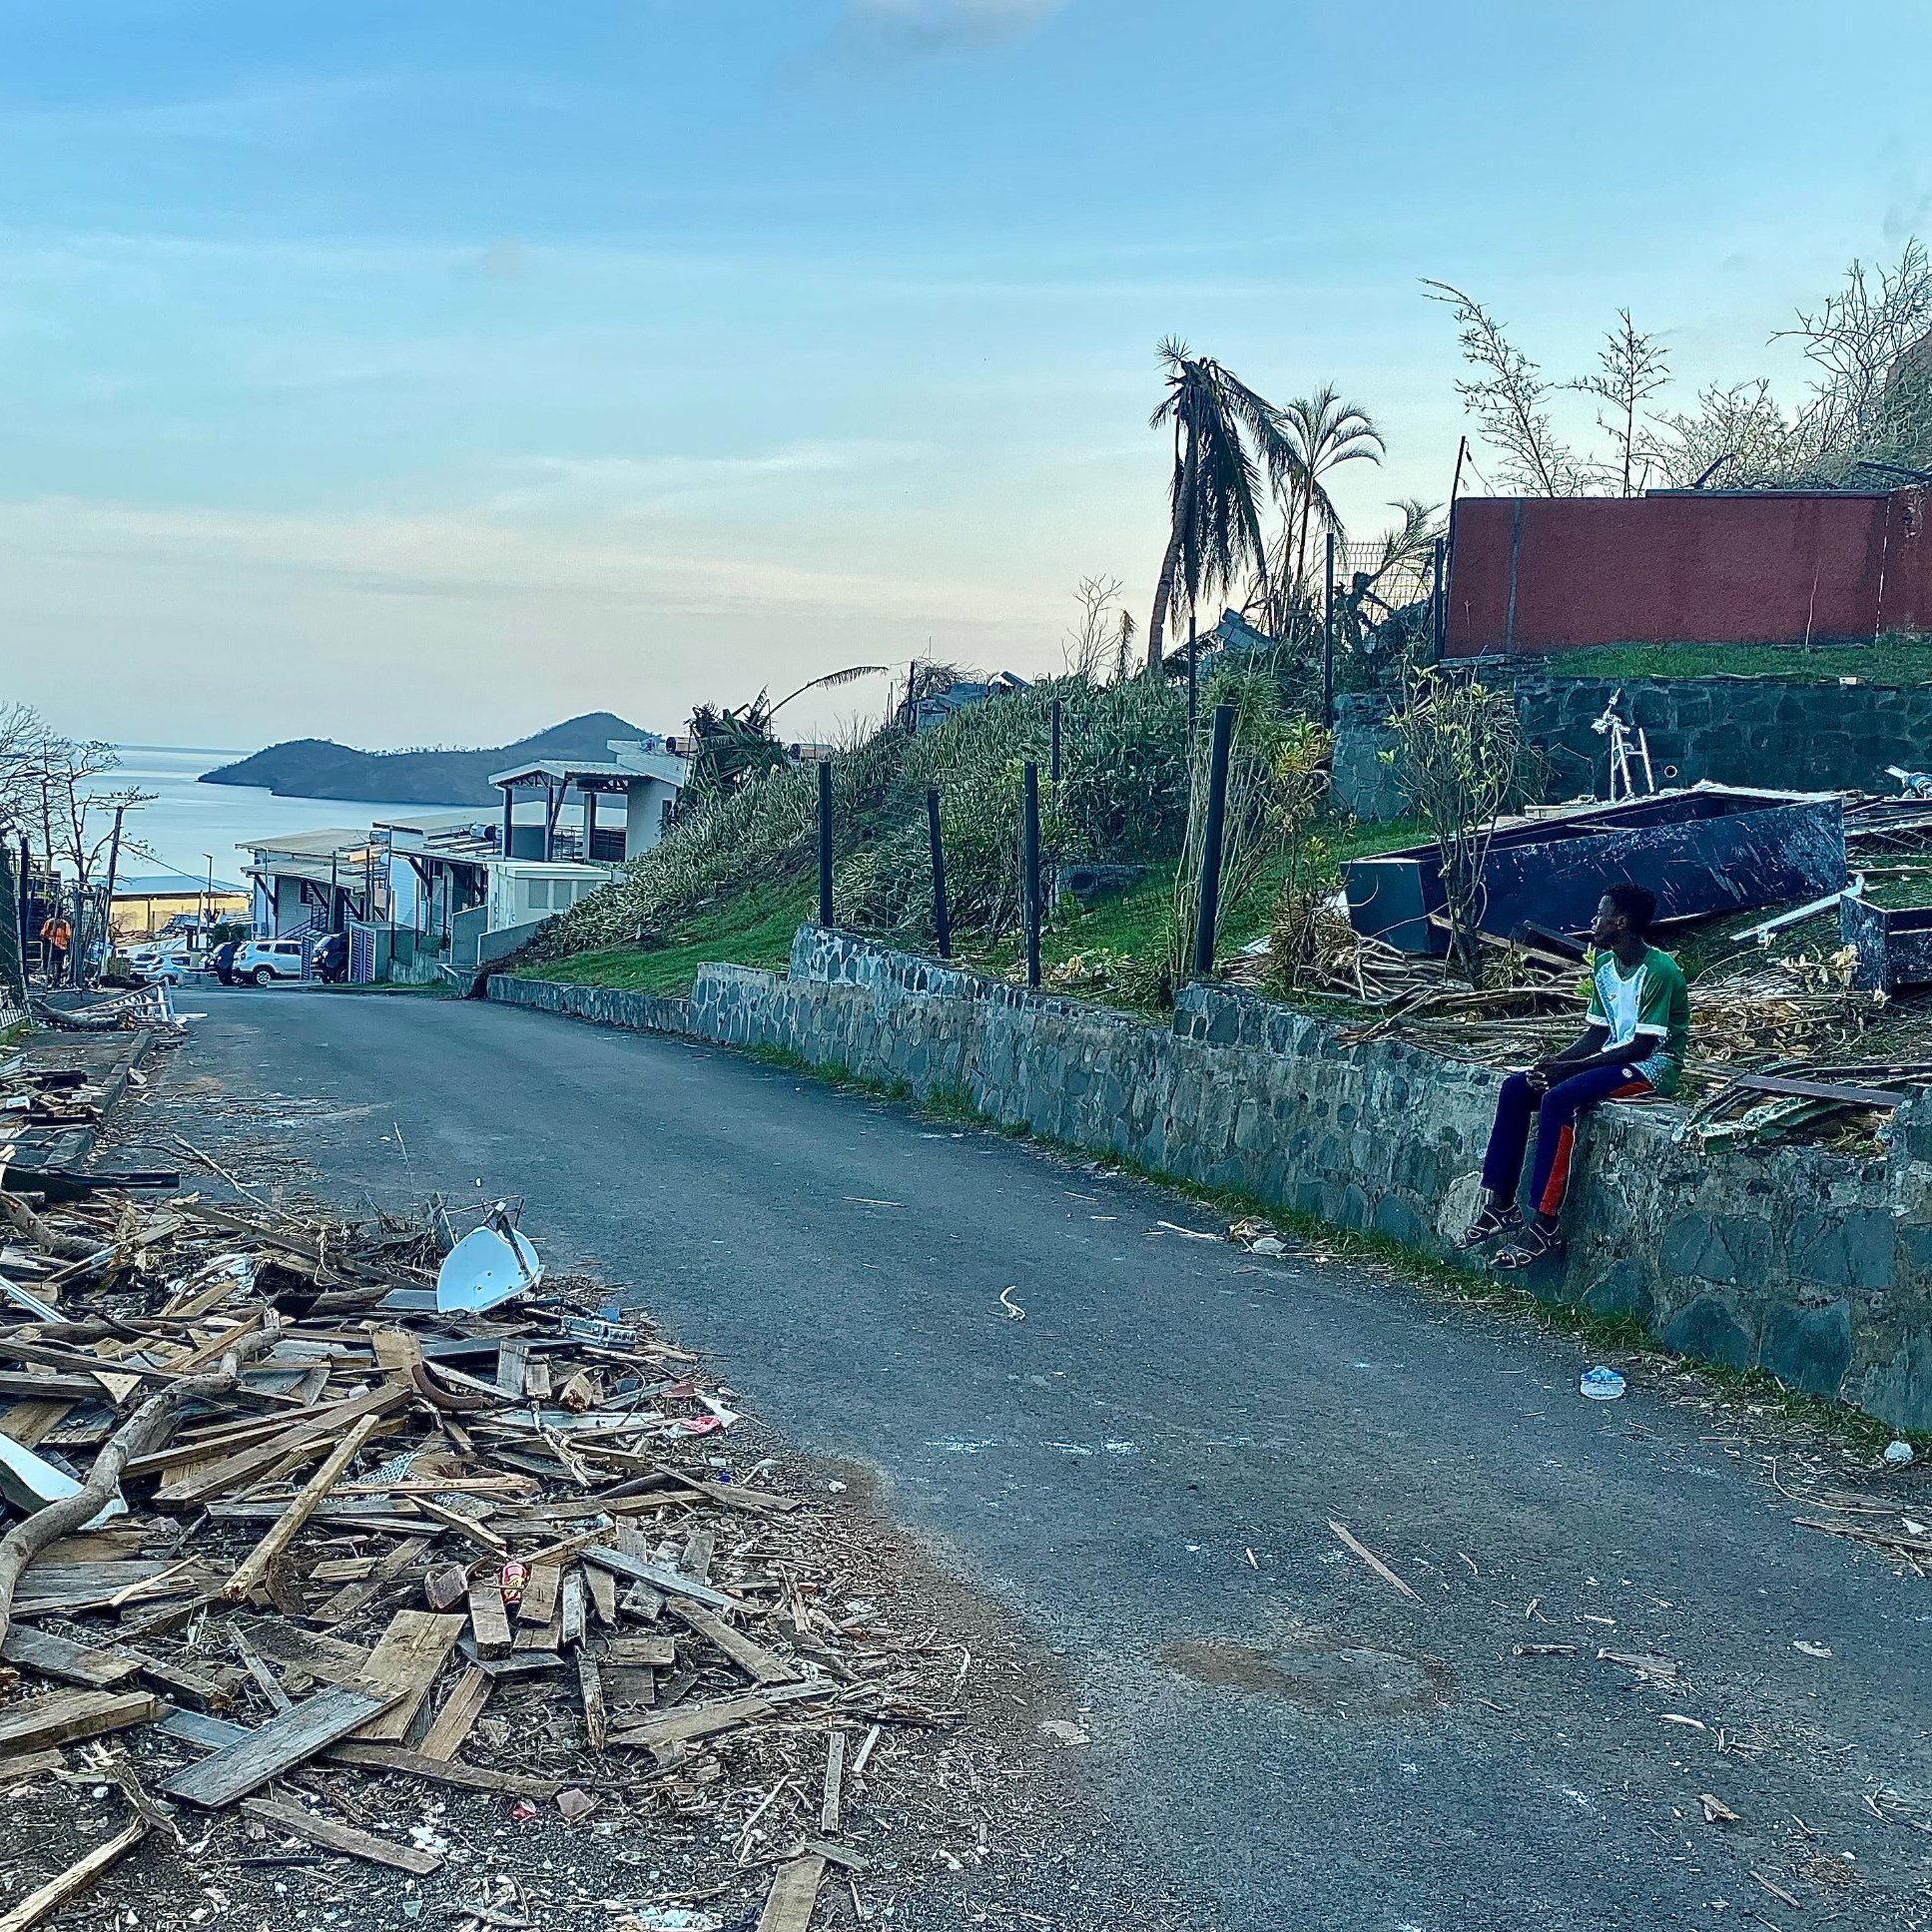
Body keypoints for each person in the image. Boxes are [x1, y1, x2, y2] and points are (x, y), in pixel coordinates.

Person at [1460, 883, 1689, 1268]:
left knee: (1560, 1098)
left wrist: (1569, 1071)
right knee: (1518, 1087)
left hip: (1650, 1069)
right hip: (1610, 1060)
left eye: (1600, 915)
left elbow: (1643, 1046)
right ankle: (1501, 1206)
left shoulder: (1660, 970)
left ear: (1621, 921)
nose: (1593, 922)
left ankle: (1545, 1224)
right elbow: (1597, 1034)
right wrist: (1552, 1064)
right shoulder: (1603, 967)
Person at [38, 908, 72, 986]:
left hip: (53, 946)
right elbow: (68, 936)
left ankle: (54, 980)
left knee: (53, 963)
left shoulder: (50, 922)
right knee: (58, 963)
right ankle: (56, 980)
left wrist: (48, 939)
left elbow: (42, 934)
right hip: (60, 947)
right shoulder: (64, 923)